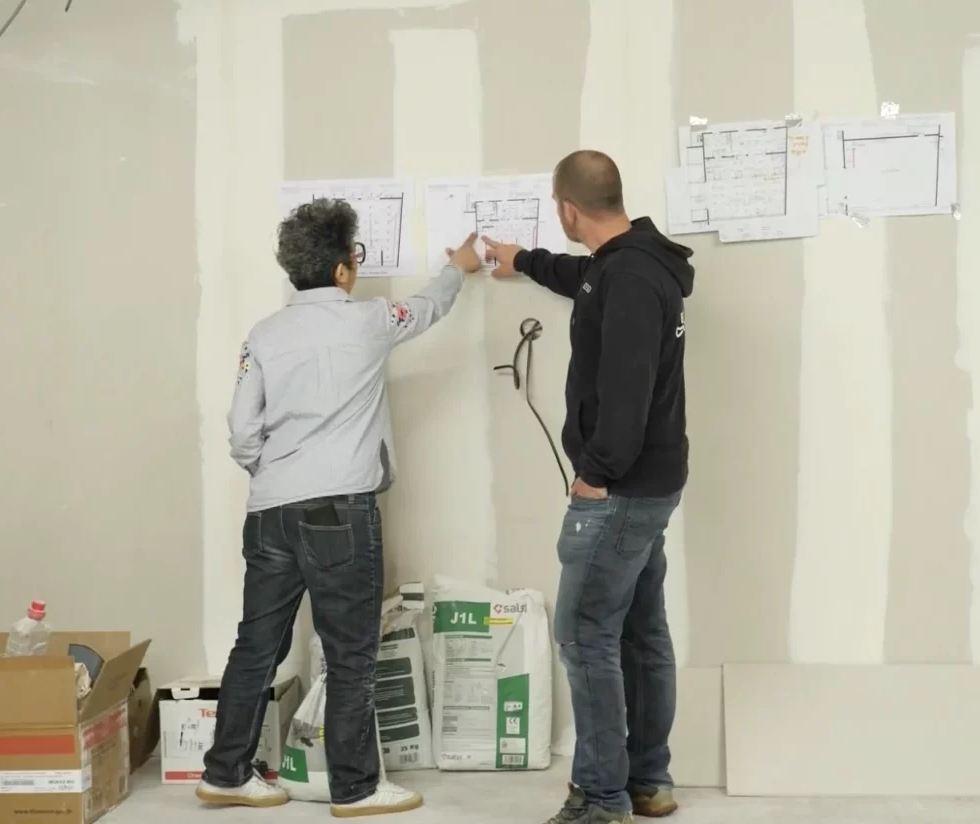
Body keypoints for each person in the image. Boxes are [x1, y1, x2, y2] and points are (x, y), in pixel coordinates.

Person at [195, 198, 481, 817]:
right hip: (338, 513)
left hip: (269, 511)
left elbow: (241, 432)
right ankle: (355, 788)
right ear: (344, 268)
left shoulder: (262, 336)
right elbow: (428, 306)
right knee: (351, 653)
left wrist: (273, 471)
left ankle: (225, 774)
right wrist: (458, 266)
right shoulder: (372, 320)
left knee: (256, 646)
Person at [484, 150, 695, 824]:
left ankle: (603, 798)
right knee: (639, 632)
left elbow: (627, 395)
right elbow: (582, 276)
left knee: (583, 635)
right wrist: (523, 260)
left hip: (620, 491)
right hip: (651, 485)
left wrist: (595, 476)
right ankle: (648, 781)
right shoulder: (631, 263)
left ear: (569, 209)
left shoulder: (627, 278)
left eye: (557, 210)